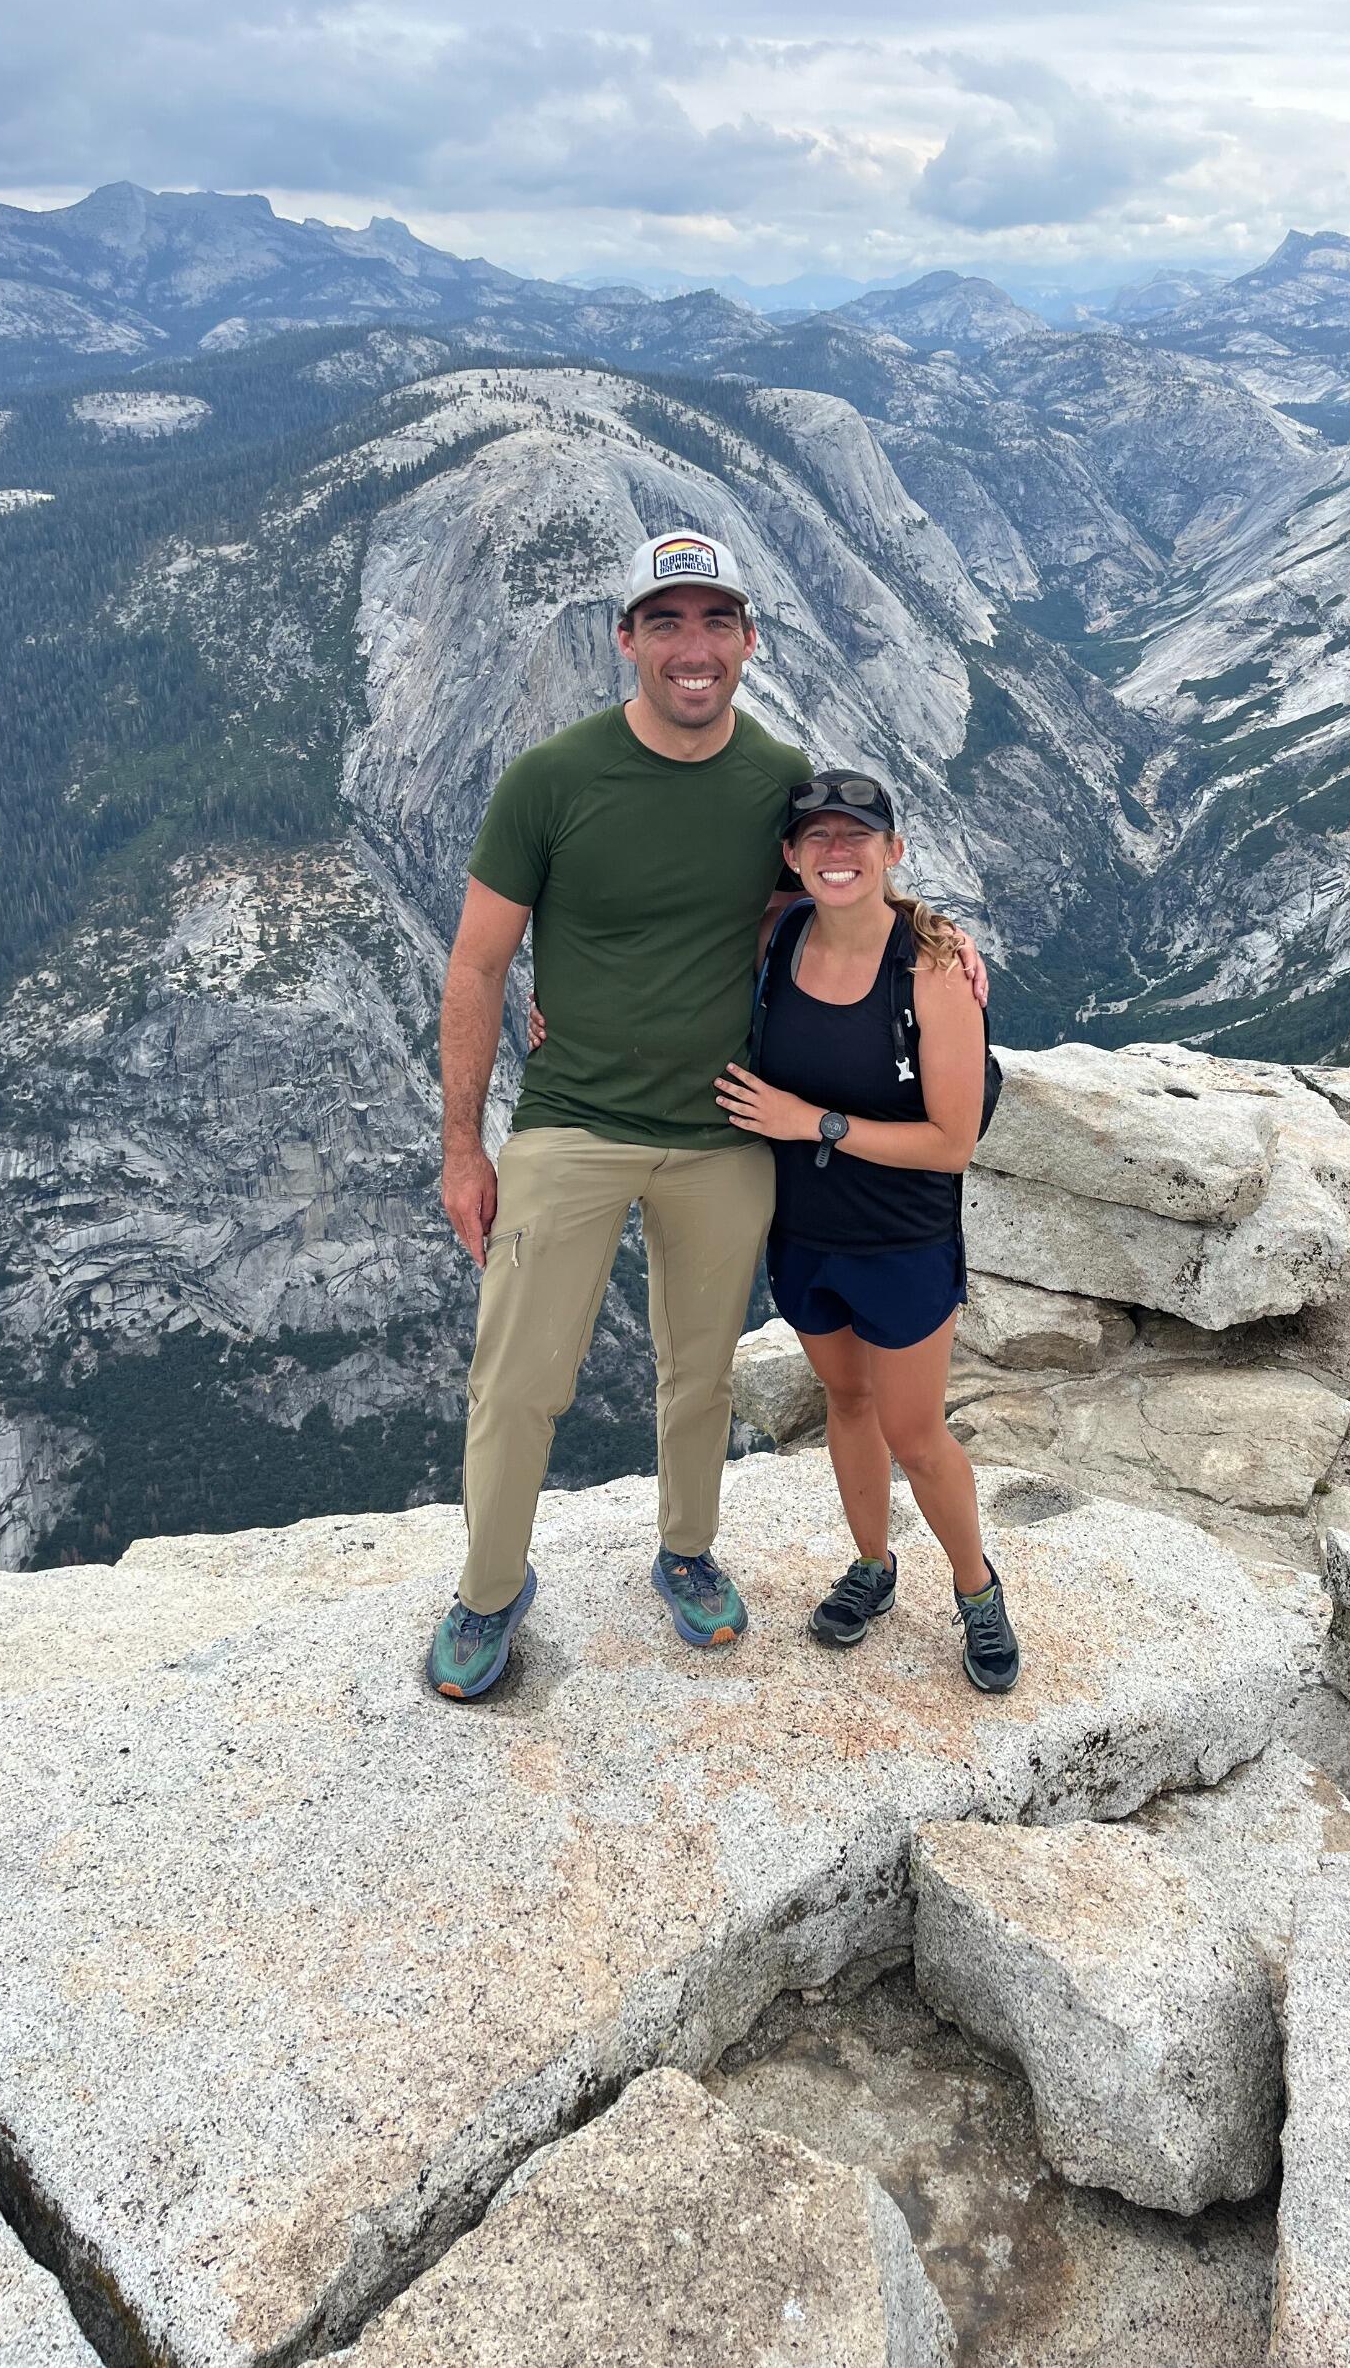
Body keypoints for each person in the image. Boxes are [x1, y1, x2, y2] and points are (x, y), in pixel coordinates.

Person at [423, 529, 812, 1699]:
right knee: (519, 1376)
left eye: (713, 624)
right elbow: (479, 967)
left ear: (748, 639)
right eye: (666, 623)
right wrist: (462, 1148)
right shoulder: (552, 779)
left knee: (700, 1370)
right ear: (627, 639)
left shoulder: (778, 777)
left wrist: (942, 950)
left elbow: (821, 911)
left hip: (723, 1127)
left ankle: (687, 1552)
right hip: (572, 1120)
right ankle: (488, 1590)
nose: (691, 650)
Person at [714, 772, 1021, 1693]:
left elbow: (951, 1140)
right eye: (815, 838)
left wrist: (811, 1123)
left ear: (892, 851)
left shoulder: (929, 971)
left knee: (915, 1432)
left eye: (857, 837)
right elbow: (653, 952)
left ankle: (977, 1592)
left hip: (901, 1240)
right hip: (805, 1234)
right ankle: (873, 1567)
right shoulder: (778, 937)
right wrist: (552, 1008)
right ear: (790, 857)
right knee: (846, 1405)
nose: (835, 853)